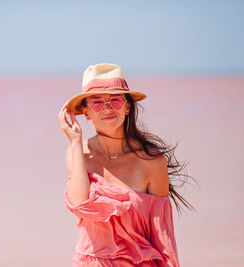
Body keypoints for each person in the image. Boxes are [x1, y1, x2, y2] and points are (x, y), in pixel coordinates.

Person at [58, 63, 196, 267]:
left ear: (127, 106)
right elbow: (80, 204)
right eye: (96, 102)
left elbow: (162, 237)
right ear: (86, 112)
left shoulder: (151, 161)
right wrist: (75, 142)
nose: (107, 107)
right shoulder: (77, 153)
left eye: (115, 99)